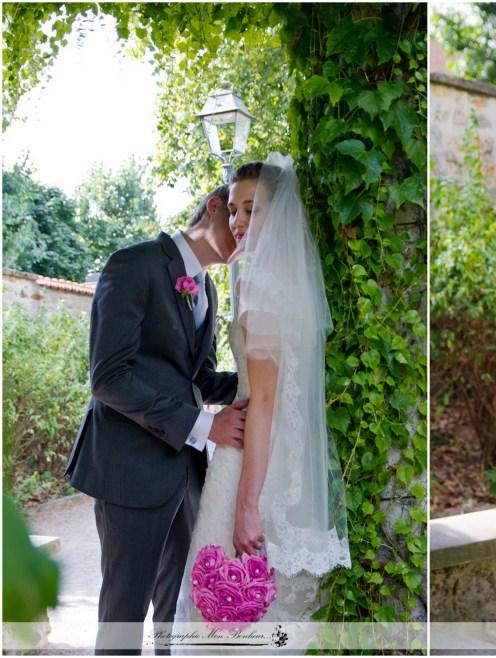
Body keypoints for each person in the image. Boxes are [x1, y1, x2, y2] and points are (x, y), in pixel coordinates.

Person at [172, 153, 351, 639]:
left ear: (282, 215)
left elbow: (266, 402)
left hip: (251, 457)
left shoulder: (258, 286)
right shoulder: (289, 287)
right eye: (233, 209)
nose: (237, 221)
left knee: (233, 607)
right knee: (261, 613)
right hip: (282, 451)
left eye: (252, 209)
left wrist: (248, 504)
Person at [65, 186, 247, 654]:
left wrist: (257, 384)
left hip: (183, 474)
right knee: (125, 615)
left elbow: (197, 377)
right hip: (129, 470)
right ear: (213, 208)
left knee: (176, 610)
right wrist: (206, 427)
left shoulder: (206, 288)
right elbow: (109, 378)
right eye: (239, 217)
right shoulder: (135, 263)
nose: (246, 235)